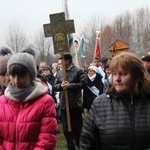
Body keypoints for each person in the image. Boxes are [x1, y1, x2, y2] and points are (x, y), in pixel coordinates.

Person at [79, 52, 150, 150]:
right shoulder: (100, 104)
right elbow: (87, 142)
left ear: (137, 75)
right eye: (114, 74)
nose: (117, 79)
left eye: (123, 74)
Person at [0, 52, 58, 150]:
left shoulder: (45, 102)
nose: (16, 81)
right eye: (13, 75)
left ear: (31, 76)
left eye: (22, 76)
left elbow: (47, 139)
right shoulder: (2, 102)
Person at [54, 53, 86, 150]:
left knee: (77, 128)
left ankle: (80, 145)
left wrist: (70, 85)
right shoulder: (59, 73)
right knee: (66, 129)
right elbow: (55, 86)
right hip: (64, 105)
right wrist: (61, 86)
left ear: (67, 61)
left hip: (75, 104)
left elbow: (83, 83)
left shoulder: (78, 71)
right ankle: (70, 146)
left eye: (61, 62)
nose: (60, 64)